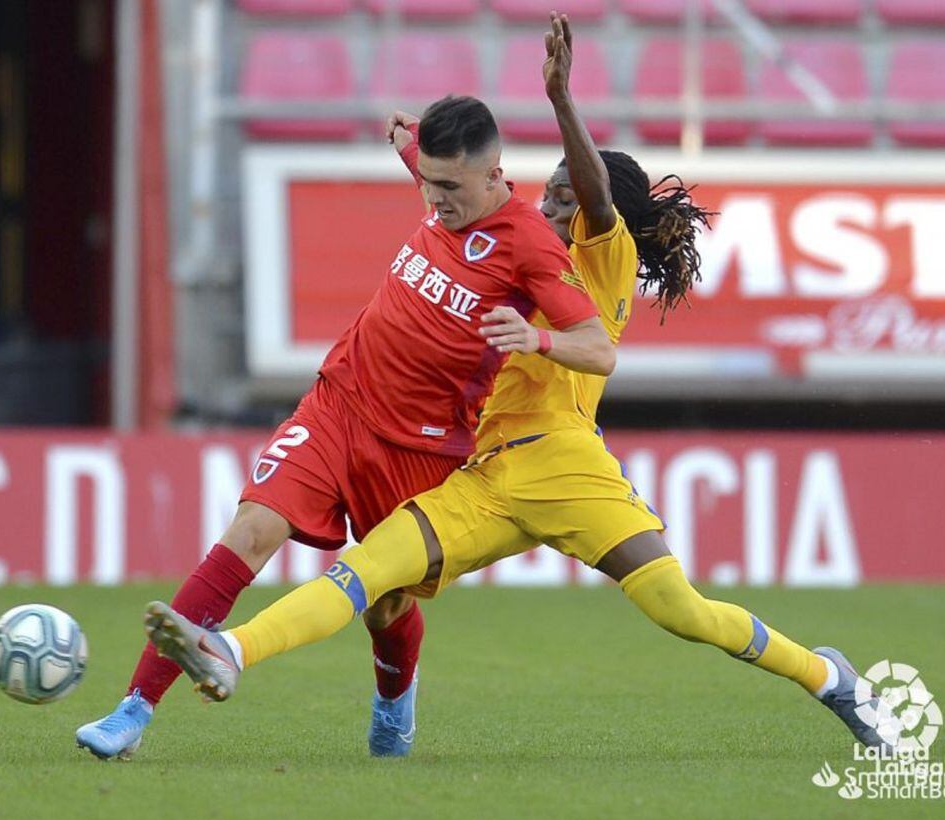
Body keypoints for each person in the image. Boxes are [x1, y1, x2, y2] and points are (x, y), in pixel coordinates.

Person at [145, 13, 888, 754]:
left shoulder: (604, 254)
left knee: (679, 608)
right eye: (549, 193)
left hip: (567, 466)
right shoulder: (521, 245)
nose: (550, 206)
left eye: (563, 197)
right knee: (364, 570)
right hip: (487, 473)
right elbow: (467, 209)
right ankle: (229, 651)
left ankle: (827, 675)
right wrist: (416, 149)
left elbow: (594, 202)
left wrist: (562, 100)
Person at [75, 93, 614, 760]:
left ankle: (394, 698)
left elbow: (599, 346)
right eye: (427, 180)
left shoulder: (530, 243)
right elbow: (413, 147)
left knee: (384, 604)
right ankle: (133, 710)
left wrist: (535, 338)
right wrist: (401, 134)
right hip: (338, 405)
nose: (434, 198)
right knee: (251, 530)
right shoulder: (440, 176)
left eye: (448, 186)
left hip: (421, 447)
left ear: (493, 173)